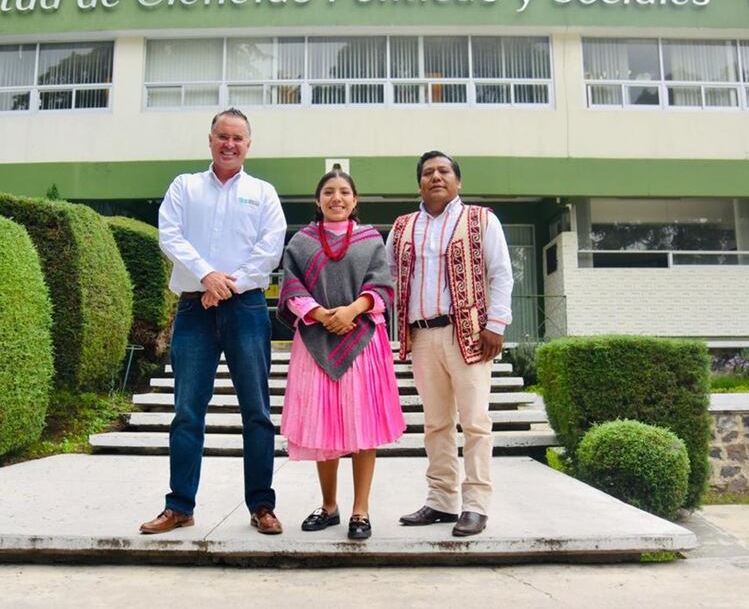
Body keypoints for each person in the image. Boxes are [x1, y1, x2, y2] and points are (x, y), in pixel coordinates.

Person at [140, 108, 287, 536]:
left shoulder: (263, 193)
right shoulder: (184, 187)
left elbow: (270, 248)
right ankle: (180, 505)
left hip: (246, 310)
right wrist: (207, 275)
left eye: (238, 138)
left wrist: (227, 284)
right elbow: (170, 235)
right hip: (194, 309)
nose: (229, 144)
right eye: (223, 136)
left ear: (248, 145)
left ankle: (262, 505)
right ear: (210, 139)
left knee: (257, 412)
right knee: (187, 411)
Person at [386, 150, 513, 537]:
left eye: (444, 171)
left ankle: (476, 506)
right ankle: (441, 501)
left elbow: (501, 274)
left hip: (470, 335)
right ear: (419, 182)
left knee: (474, 422)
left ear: (457, 181)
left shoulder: (480, 219)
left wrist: (496, 324)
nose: (436, 177)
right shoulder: (402, 226)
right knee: (436, 423)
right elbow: (387, 275)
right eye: (428, 172)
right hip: (421, 335)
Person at [277, 167, 406, 540]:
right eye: (329, 192)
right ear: (318, 200)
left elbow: (382, 285)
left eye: (344, 192)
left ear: (355, 199)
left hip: (363, 339)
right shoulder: (301, 242)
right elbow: (291, 286)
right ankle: (329, 506)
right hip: (315, 341)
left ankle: (360, 511)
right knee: (324, 428)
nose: (337, 198)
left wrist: (351, 311)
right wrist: (319, 314)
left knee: (362, 428)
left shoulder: (371, 241)